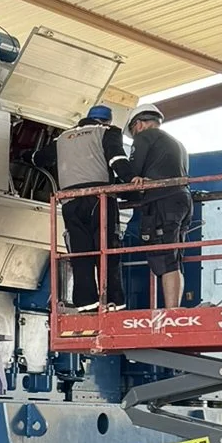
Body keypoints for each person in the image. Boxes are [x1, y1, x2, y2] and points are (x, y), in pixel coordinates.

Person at [53, 104, 127, 309]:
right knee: (107, 251)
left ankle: (86, 304)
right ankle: (114, 302)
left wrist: (27, 157)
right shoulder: (107, 132)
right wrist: (134, 182)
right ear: (107, 120)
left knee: (81, 253)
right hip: (100, 199)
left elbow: (42, 158)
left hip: (70, 201)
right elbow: (117, 160)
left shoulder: (61, 138)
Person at [125, 103, 192, 310]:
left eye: (133, 130)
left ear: (139, 124)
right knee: (174, 258)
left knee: (164, 258)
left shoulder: (145, 137)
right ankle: (174, 308)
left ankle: (171, 311)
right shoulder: (178, 143)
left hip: (162, 201)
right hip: (183, 199)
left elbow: (133, 173)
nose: (134, 134)